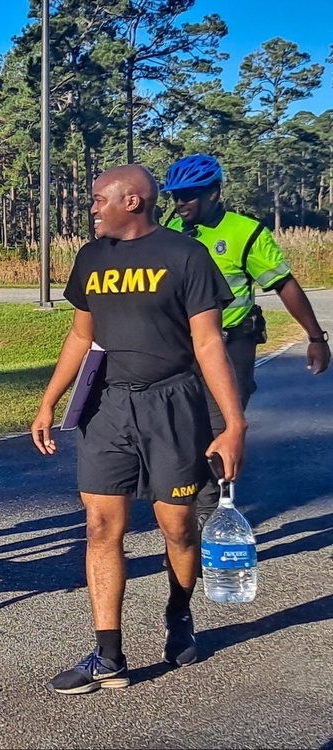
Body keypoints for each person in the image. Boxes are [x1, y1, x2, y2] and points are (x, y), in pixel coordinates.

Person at [31, 164, 247, 695]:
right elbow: (81, 337)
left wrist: (234, 423)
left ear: (133, 201)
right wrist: (47, 402)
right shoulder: (91, 258)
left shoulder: (185, 256)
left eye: (99, 198)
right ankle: (108, 655)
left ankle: (178, 611)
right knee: (102, 528)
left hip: (173, 407)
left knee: (176, 527)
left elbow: (208, 345)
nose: (92, 207)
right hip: (107, 409)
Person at [163, 154, 331, 527]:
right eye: (175, 196)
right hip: (181, 347)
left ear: (214, 193)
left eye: (188, 195)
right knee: (180, 431)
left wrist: (315, 337)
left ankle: (212, 518)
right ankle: (188, 510)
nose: (180, 203)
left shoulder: (247, 232)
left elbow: (284, 284)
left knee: (219, 427)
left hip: (230, 345)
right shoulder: (170, 228)